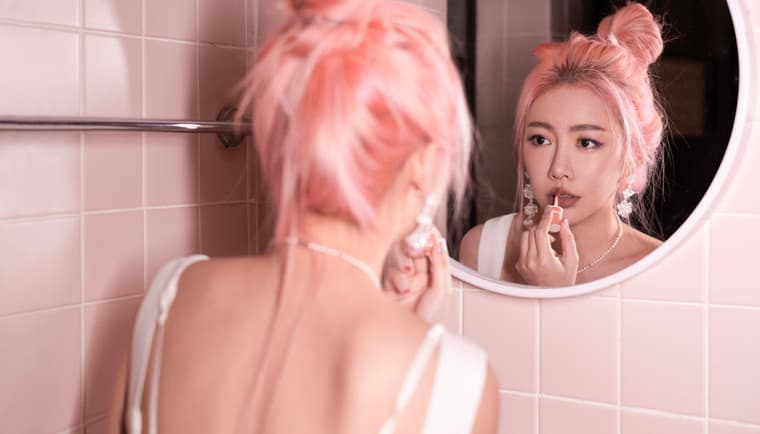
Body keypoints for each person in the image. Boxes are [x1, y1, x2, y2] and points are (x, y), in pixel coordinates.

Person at [106, 1, 499, 433]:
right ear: (422, 163)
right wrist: (419, 347)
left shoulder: (171, 296)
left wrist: (409, 332)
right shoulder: (457, 383)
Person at [460, 2, 666, 286]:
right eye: (541, 140)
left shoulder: (660, 269)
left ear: (633, 156)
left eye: (586, 142)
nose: (558, 169)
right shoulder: (482, 248)